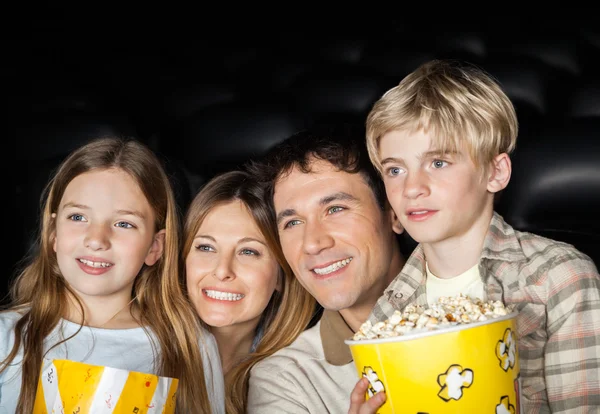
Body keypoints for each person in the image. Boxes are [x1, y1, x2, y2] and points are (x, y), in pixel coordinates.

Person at [352, 59, 600, 413]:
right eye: (395, 169)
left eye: (438, 163)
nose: (412, 188)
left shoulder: (559, 278)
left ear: (495, 172)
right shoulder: (389, 310)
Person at [0, 137, 224, 413]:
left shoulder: (190, 346)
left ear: (154, 248)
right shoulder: (5, 338)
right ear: (53, 233)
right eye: (78, 217)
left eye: (123, 223)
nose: (97, 239)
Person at [244, 123, 406, 413]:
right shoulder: (285, 380)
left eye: (335, 209)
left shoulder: (497, 302)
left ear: (394, 213)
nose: (313, 243)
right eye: (292, 222)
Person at [183, 169, 316, 414]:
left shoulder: (302, 376)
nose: (223, 270)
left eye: (248, 252)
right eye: (206, 247)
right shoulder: (143, 351)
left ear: (281, 274)